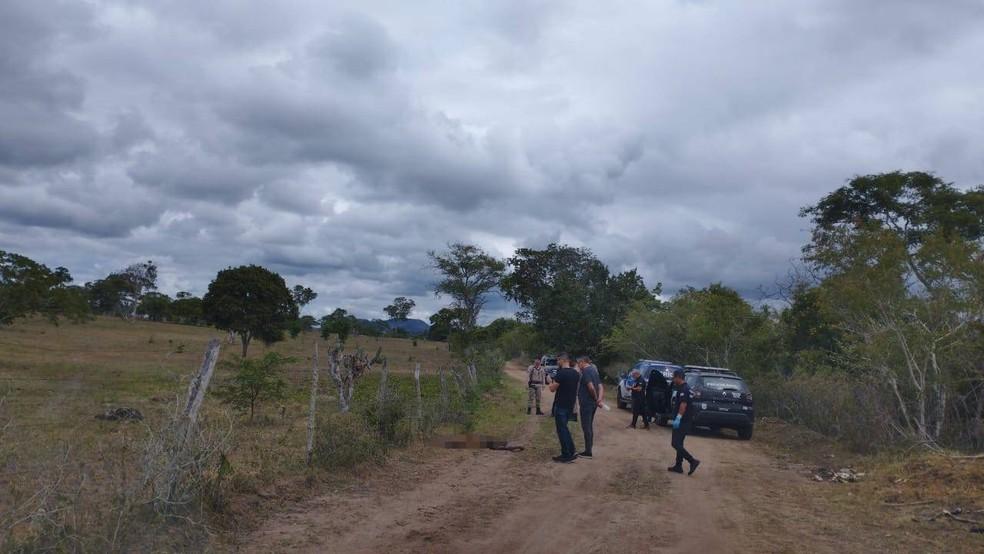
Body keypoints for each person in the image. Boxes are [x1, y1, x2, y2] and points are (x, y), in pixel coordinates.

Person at [667, 368, 700, 475]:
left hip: (683, 421)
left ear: (678, 377)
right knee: (679, 443)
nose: (673, 379)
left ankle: (692, 461)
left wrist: (678, 418)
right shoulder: (685, 388)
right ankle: (678, 466)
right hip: (686, 420)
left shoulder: (684, 389)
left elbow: (683, 405)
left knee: (675, 443)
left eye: (674, 377)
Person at [548, 353, 579, 463]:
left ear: (563, 360)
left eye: (558, 360)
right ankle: (571, 451)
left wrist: (549, 381)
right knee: (565, 428)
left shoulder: (561, 373)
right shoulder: (576, 373)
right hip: (570, 405)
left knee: (562, 430)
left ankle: (566, 454)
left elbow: (552, 389)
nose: (557, 362)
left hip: (561, 405)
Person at [575, 354, 602, 459]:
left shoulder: (586, 371)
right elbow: (600, 386)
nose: (578, 365)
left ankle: (588, 452)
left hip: (587, 403)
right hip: (593, 404)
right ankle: (589, 449)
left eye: (578, 363)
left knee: (586, 427)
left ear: (582, 362)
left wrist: (595, 398)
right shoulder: (594, 370)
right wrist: (599, 399)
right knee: (589, 426)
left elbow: (591, 387)